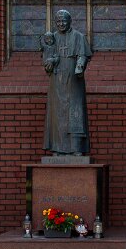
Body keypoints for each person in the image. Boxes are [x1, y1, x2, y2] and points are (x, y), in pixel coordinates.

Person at [43, 10, 92, 155]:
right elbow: (46, 58)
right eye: (58, 21)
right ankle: (57, 149)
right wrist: (49, 62)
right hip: (57, 81)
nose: (61, 24)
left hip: (73, 80)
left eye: (63, 21)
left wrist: (80, 65)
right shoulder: (52, 38)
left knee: (75, 112)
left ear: (69, 21)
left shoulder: (78, 36)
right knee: (57, 114)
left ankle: (76, 148)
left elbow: (83, 55)